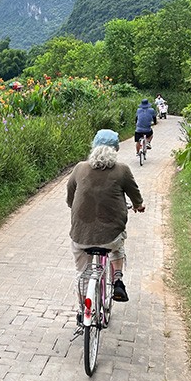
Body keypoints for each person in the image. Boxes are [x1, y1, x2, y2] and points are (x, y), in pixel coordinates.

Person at [67, 129, 145, 308]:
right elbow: (135, 194)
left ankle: (83, 311)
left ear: (94, 147)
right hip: (111, 238)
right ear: (115, 149)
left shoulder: (79, 168)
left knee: (82, 273)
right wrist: (138, 205)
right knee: (118, 243)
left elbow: (70, 196)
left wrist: (74, 205)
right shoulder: (122, 170)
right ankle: (117, 279)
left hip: (80, 237)